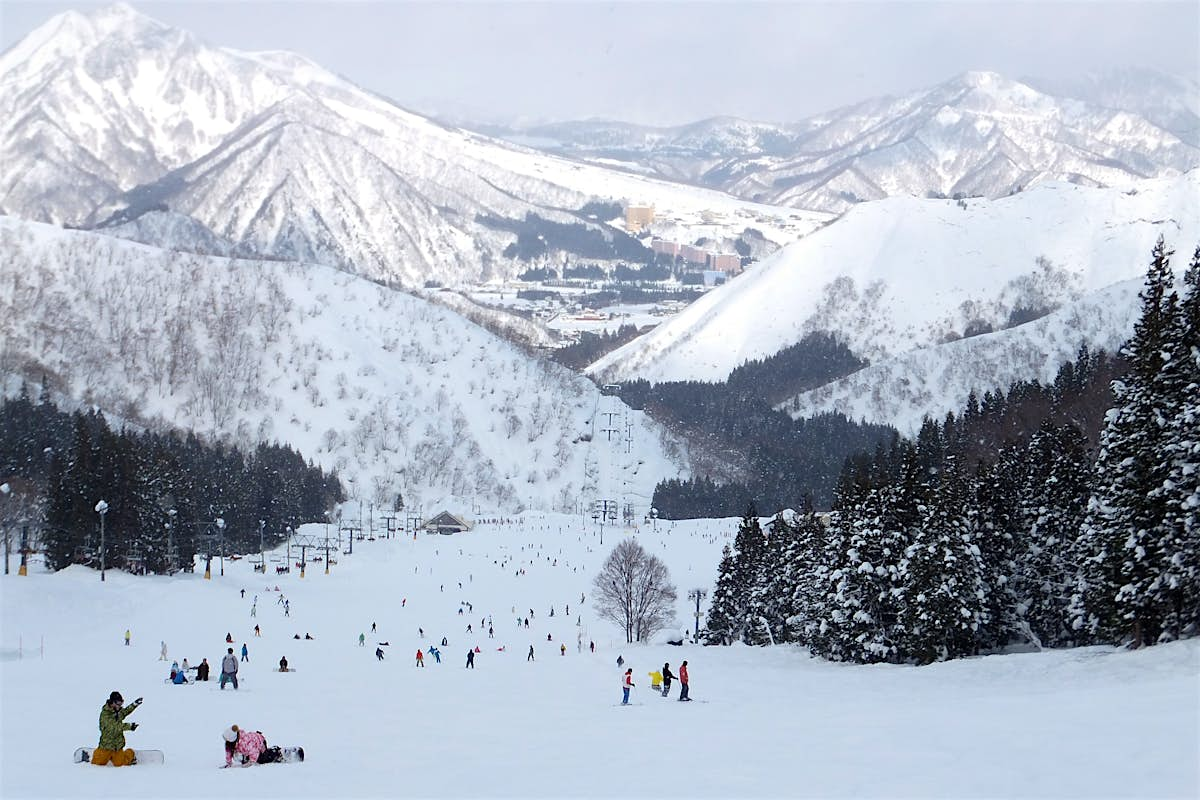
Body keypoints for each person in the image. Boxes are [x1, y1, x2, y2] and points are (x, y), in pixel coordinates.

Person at [91, 692, 142, 766]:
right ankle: (97, 754)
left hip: (117, 746)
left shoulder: (117, 710)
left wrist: (134, 704)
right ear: (112, 702)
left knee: (121, 764)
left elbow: (125, 712)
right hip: (106, 746)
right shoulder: (105, 714)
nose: (120, 705)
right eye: (118, 703)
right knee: (96, 764)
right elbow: (114, 727)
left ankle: (130, 753)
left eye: (121, 703)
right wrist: (129, 726)